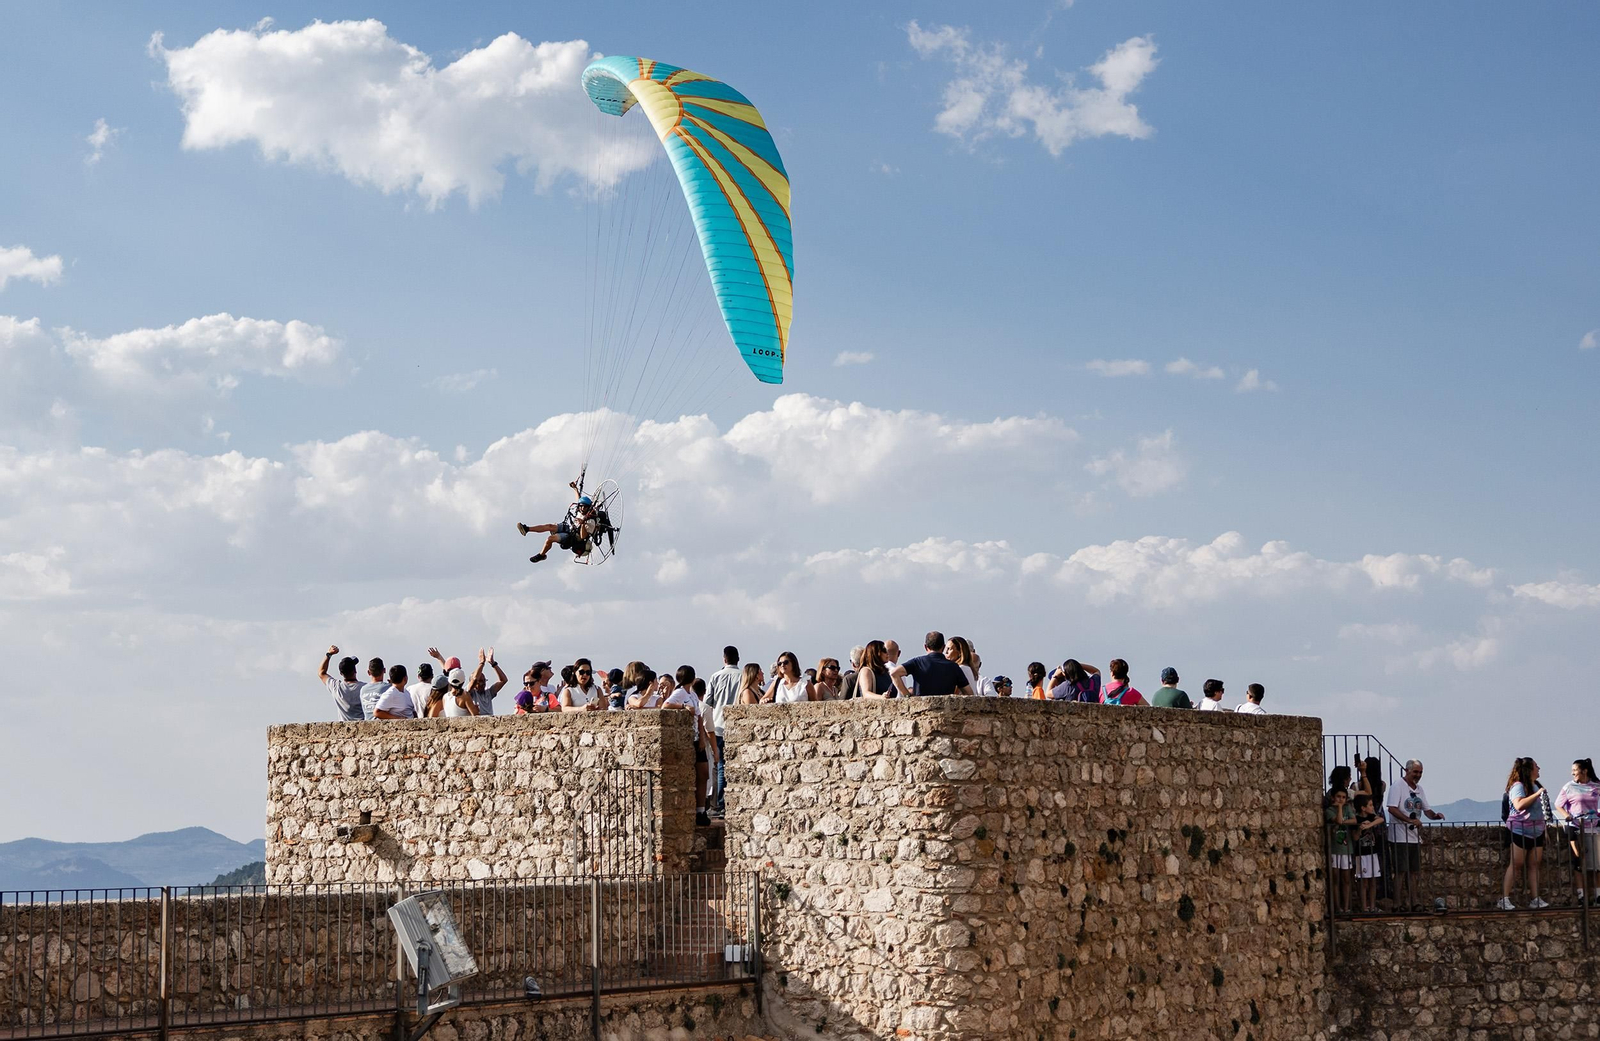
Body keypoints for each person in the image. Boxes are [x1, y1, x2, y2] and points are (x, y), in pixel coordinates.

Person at [663, 665, 717, 824]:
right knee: (696, 774)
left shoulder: (691, 694)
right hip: (688, 739)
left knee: (703, 773)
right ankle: (697, 810)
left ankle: (701, 810)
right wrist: (683, 707)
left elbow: (699, 717)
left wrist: (701, 737)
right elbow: (666, 705)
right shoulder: (679, 693)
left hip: (695, 737)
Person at [1386, 759, 1443, 911]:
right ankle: (1397, 904)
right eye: (1415, 772)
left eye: (1420, 772)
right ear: (1407, 771)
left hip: (1413, 837)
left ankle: (1415, 902)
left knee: (1414, 871)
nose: (1418, 775)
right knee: (1400, 871)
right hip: (1399, 836)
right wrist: (1409, 820)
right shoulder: (1398, 786)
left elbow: (1426, 809)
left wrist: (1435, 816)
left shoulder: (1419, 789)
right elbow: (1391, 808)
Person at [1501, 757, 1550, 909]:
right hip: (1520, 830)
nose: (1539, 768)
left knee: (1534, 865)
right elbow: (1519, 804)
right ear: (1529, 769)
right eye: (1536, 766)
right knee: (1516, 864)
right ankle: (1504, 899)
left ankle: (1535, 898)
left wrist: (1545, 829)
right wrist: (1537, 794)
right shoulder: (1518, 786)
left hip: (1537, 830)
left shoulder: (1535, 785)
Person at [518, 481, 603, 563]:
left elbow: (583, 536)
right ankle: (527, 529)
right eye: (581, 506)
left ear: (588, 508)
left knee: (550, 539)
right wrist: (575, 489)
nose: (582, 509)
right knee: (550, 526)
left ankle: (541, 555)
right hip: (569, 527)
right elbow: (578, 499)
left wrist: (583, 524)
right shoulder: (580, 510)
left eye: (585, 507)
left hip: (572, 537)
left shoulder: (590, 521)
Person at [1555, 758, 1600, 905]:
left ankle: (1598, 895)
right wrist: (1566, 816)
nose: (1572, 773)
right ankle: (1581, 896)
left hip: (1593, 827)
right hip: (1576, 826)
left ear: (1584, 771)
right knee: (1579, 861)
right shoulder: (1569, 787)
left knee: (1596, 864)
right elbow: (1558, 804)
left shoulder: (1596, 786)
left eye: (1575, 770)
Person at [900, 632, 972, 697]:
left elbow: (894, 673)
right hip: (946, 709)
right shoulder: (954, 667)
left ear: (925, 647)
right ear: (943, 647)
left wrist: (907, 696)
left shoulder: (917, 662)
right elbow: (969, 693)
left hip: (921, 709)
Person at [1326, 785, 1355, 915]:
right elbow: (1337, 820)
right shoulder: (1329, 811)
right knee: (1335, 879)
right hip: (1335, 849)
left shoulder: (1348, 808)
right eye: (1338, 797)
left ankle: (1346, 907)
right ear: (1333, 798)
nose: (1341, 799)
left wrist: (1343, 822)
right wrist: (1339, 808)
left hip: (1346, 849)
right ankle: (1337, 907)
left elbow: (1354, 820)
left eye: (1343, 797)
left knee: (1346, 879)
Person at [1352, 793, 1383, 913]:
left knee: (1373, 881)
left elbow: (1381, 819)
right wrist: (1360, 829)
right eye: (1370, 805)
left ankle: (1372, 905)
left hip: (1372, 852)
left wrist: (1369, 825)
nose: (1372, 807)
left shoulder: (1371, 817)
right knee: (1364, 881)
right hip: (1361, 854)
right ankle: (1364, 906)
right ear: (1363, 808)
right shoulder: (1356, 819)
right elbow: (1354, 838)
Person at [319, 647, 365, 722]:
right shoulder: (364, 688)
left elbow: (321, 672)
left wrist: (329, 654)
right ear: (355, 671)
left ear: (341, 673)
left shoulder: (336, 687)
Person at [467, 648, 508, 715]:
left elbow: (504, 680)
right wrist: (481, 663)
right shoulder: (470, 693)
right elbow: (474, 679)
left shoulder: (488, 692)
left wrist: (493, 664)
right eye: (480, 681)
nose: (483, 684)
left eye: (484, 681)